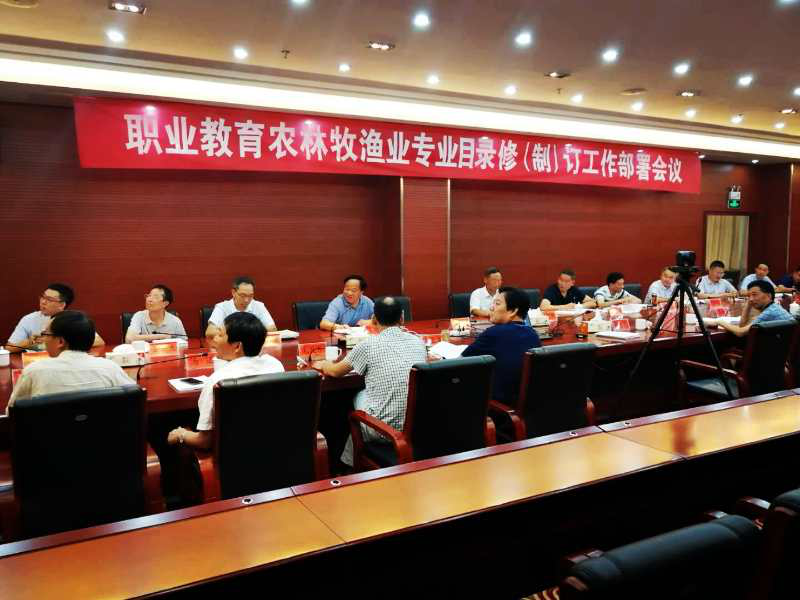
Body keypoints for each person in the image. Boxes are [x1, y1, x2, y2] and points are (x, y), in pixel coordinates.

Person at [320, 297, 427, 466]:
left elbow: (335, 371)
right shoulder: (418, 342)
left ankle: (347, 464)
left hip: (383, 432)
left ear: (374, 319)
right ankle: (349, 463)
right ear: (402, 318)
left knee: (360, 395)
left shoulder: (368, 345)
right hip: (416, 427)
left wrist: (324, 364)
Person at [168, 312, 284, 450]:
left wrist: (181, 434)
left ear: (237, 346)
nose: (214, 339)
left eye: (220, 335)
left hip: (234, 455)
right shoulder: (276, 365)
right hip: (275, 447)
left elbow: (205, 441)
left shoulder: (218, 380)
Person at [7, 311, 132, 412]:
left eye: (45, 334)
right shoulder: (110, 368)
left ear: (61, 342)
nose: (44, 339)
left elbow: (12, 412)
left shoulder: (34, 371)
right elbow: (134, 398)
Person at [462, 287, 541, 406]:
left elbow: (461, 362)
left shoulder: (494, 333)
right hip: (525, 406)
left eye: (497, 303)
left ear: (512, 311)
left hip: (496, 406)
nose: (491, 308)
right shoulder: (533, 334)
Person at [7, 283, 105, 351]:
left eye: (49, 299)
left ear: (62, 305)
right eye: (43, 297)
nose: (43, 302)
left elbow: (99, 341)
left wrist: (58, 341)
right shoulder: (29, 319)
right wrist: (30, 342)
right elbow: (9, 347)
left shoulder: (73, 320)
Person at [206, 276, 277, 342]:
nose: (247, 300)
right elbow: (210, 332)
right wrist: (250, 331)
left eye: (250, 295)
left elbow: (272, 329)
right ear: (233, 292)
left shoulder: (259, 306)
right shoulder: (222, 307)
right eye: (243, 295)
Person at [716, 280, 794, 337]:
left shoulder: (770, 312)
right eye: (749, 296)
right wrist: (748, 305)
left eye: (754, 294)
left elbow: (740, 332)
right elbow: (742, 325)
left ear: (769, 296)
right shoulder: (773, 307)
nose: (751, 299)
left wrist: (719, 321)